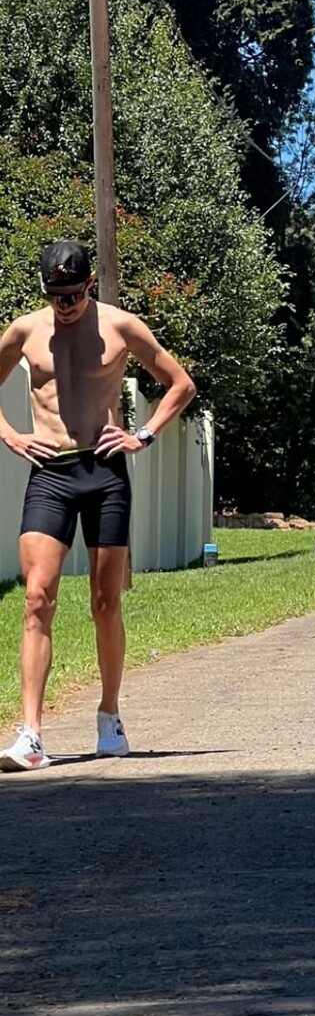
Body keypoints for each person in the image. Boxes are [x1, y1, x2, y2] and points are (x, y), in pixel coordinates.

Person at [0, 242, 196, 772]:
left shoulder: (121, 326)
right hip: (50, 473)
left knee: (105, 602)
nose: (64, 306)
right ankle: (31, 735)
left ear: (90, 284)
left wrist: (143, 435)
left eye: (73, 295)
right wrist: (12, 436)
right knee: (36, 598)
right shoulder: (24, 331)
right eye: (55, 296)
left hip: (105, 473)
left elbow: (181, 384)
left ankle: (110, 715)